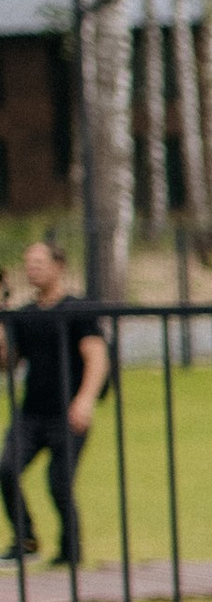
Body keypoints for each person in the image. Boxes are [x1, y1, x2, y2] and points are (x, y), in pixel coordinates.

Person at [1, 239, 110, 571]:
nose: (32, 268)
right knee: (6, 468)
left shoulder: (78, 309)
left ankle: (70, 550)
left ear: (58, 265)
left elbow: (97, 357)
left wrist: (85, 400)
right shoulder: (23, 315)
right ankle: (25, 540)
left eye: (39, 262)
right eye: (28, 263)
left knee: (58, 481)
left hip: (68, 411)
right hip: (32, 413)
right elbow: (8, 363)